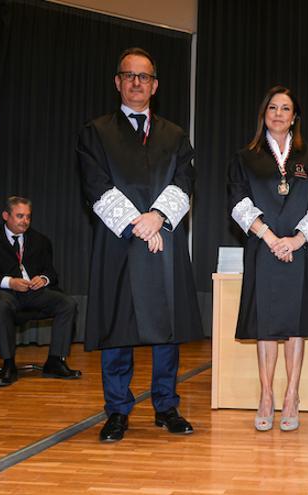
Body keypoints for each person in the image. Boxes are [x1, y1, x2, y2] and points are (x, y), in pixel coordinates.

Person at [77, 47, 202, 443]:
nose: (136, 82)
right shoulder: (95, 132)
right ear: (118, 82)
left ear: (155, 85)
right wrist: (136, 223)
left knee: (167, 328)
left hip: (162, 239)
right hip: (119, 242)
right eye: (128, 75)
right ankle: (117, 411)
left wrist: (157, 218)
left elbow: (185, 181)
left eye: (143, 77)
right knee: (119, 327)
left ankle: (166, 406)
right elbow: (94, 184)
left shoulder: (175, 135)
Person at [228, 85, 308, 432]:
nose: (278, 114)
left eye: (285, 109)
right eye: (272, 107)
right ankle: (266, 395)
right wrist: (272, 238)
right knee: (266, 326)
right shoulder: (246, 157)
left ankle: (292, 395)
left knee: (296, 325)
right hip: (263, 248)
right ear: (264, 114)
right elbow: (239, 202)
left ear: (294, 117)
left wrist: (298, 240)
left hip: (300, 251)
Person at [0, 196, 80, 388]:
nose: (25, 221)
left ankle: (55, 361)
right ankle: (8, 364)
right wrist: (9, 282)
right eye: (20, 216)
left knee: (67, 303)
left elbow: (51, 272)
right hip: (4, 293)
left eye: (28, 217)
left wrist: (43, 279)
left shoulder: (40, 240)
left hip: (34, 292)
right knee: (1, 306)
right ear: (6, 216)